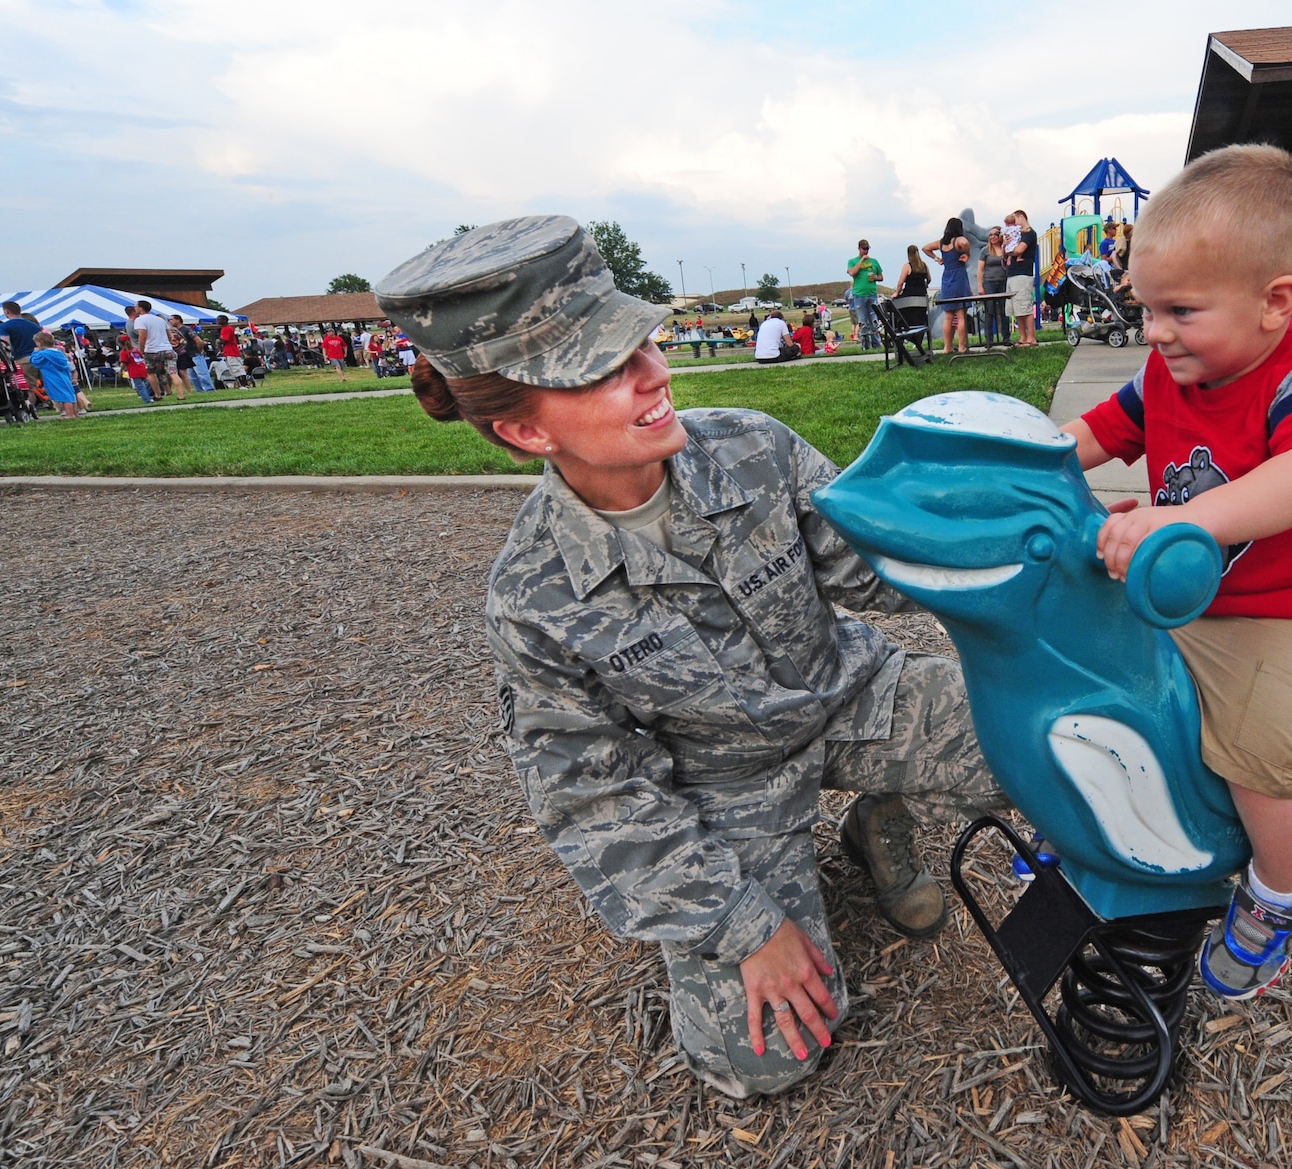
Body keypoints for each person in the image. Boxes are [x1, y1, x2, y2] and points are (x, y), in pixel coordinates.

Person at [376, 215, 1003, 1098]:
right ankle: (814, 872)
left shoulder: (749, 445)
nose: (655, 375)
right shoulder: (535, 598)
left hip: (853, 694)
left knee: (1059, 741)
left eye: (643, 345)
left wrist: (1020, 549)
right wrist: (746, 926)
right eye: (606, 368)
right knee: (771, 1059)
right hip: (727, 785)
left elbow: (877, 567)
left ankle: (875, 818)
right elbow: (595, 797)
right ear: (526, 432)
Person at [1060, 145, 1292, 1002]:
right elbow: (1090, 435)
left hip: (1287, 605)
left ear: (1276, 302)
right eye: (1146, 308)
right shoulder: (1168, 368)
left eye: (1180, 310)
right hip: (1189, 586)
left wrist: (1182, 517)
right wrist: (1026, 467)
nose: (1155, 332)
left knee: (1257, 736)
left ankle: (1280, 892)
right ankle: (1100, 818)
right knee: (1094, 671)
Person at [923, 217, 973, 355]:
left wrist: (937, 258)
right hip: (959, 278)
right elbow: (964, 242)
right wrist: (967, 254)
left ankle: (947, 347)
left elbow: (925, 248)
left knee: (948, 317)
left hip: (947, 279)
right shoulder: (958, 240)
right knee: (961, 316)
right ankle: (962, 347)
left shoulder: (941, 243)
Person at [131, 301, 182, 401]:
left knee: (151, 373)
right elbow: (169, 335)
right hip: (167, 349)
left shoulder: (140, 320)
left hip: (151, 350)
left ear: (141, 308)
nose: (135, 309)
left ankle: (158, 394)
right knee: (173, 372)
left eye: (136, 307)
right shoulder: (160, 320)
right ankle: (181, 395)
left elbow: (143, 335)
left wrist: (141, 350)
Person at [1004, 210, 1039, 347]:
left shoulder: (1029, 233)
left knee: (1025, 306)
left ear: (1021, 217)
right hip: (1012, 273)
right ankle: (1023, 336)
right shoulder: (1015, 233)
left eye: (1015, 219)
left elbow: (1019, 250)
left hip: (1023, 273)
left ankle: (1031, 337)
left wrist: (1009, 251)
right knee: (1017, 308)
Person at [28, 332, 82, 418]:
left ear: (39, 342)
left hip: (53, 377)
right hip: (64, 376)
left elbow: (35, 361)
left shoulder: (44, 354)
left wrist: (35, 352)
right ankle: (74, 412)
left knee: (64, 396)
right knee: (69, 394)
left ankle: (69, 414)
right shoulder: (58, 352)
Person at [845, 240, 882, 347]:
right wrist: (861, 260)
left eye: (867, 249)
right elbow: (852, 272)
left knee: (874, 320)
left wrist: (875, 277)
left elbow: (881, 277)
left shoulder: (874, 261)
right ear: (859, 249)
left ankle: (876, 344)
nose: (866, 251)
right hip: (859, 295)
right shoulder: (852, 261)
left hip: (872, 293)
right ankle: (865, 345)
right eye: (864, 249)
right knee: (862, 321)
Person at [0, 301, 40, 390]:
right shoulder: (33, 325)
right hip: (39, 357)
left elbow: (6, 345)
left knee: (28, 388)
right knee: (45, 386)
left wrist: (3, 360)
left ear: (7, 312)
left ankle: (30, 404)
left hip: (22, 359)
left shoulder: (4, 326)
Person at [980, 226, 1009, 345]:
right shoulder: (985, 251)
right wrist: (980, 286)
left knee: (1004, 310)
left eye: (995, 234)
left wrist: (1005, 247)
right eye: (990, 235)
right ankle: (989, 339)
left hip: (1003, 281)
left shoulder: (1005, 249)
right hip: (989, 282)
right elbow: (980, 269)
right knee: (989, 310)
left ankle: (1006, 337)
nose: (992, 237)